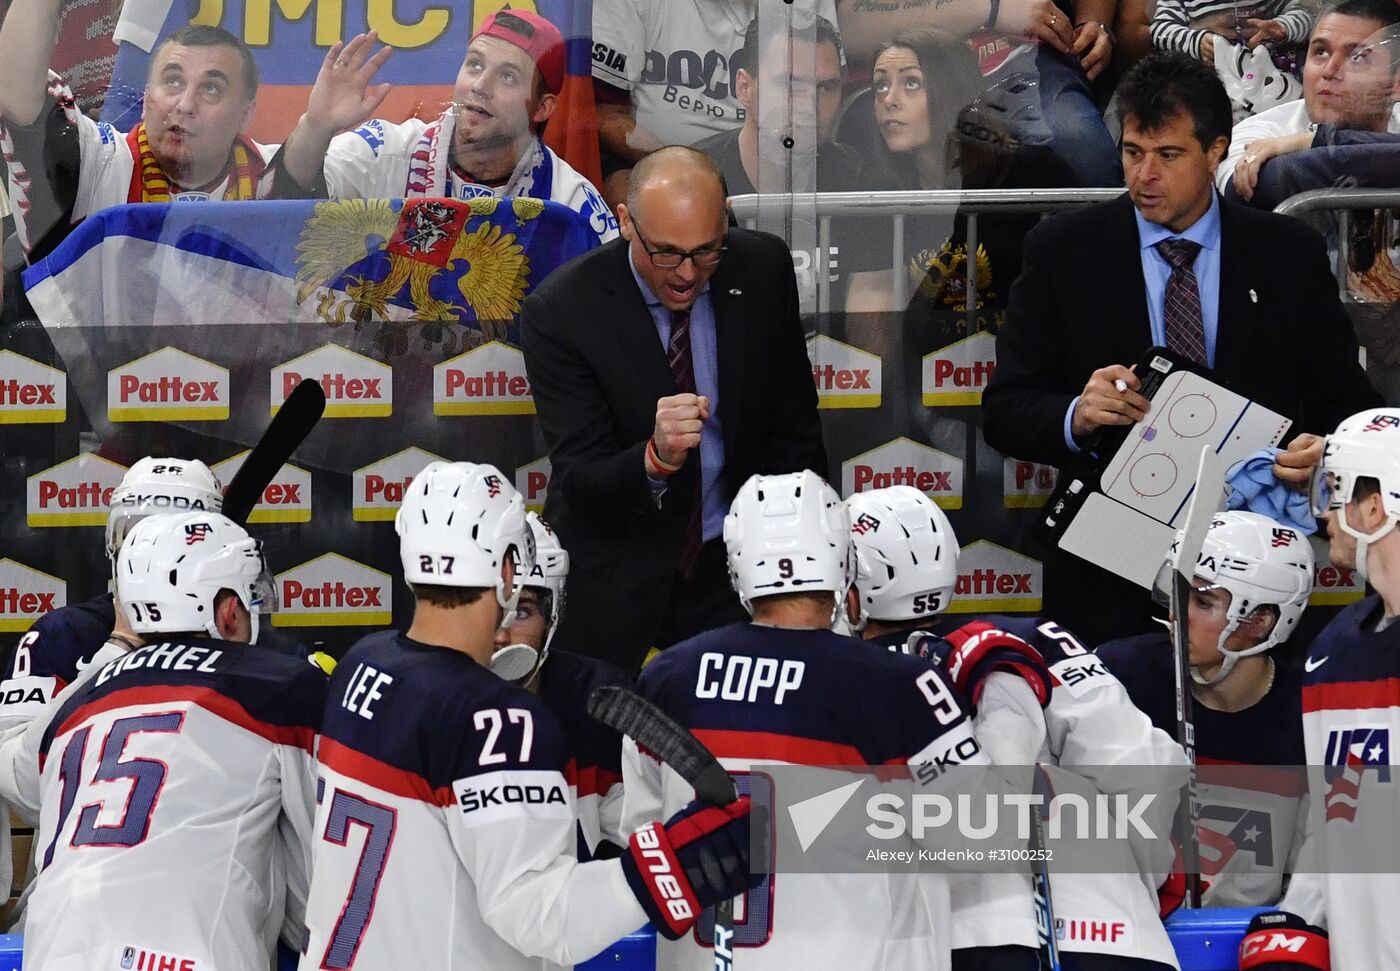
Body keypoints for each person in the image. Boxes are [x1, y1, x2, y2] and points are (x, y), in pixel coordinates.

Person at [982, 51, 1380, 645]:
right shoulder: (1062, 250)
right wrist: (1076, 415)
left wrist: (1326, 451)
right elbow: (1006, 409)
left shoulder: (1287, 253)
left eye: (1168, 155)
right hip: (1106, 572)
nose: (1144, 175)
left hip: (1253, 577)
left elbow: (1344, 402)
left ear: (1217, 150)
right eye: (1132, 152)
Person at [301, 461, 758, 968]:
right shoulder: (499, 719)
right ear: (507, 572)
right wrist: (677, 866)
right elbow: (542, 917)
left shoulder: (361, 664)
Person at [621, 469, 1026, 970]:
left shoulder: (665, 677)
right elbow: (985, 841)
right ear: (842, 561)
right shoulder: (898, 685)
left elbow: (642, 836)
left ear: (736, 564)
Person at [847, 485, 1186, 970]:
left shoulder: (836, 678)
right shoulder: (1035, 640)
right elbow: (1142, 770)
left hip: (940, 944)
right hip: (1113, 937)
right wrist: (1134, 889)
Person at [520, 146, 826, 674]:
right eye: (665, 253)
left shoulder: (762, 269)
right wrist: (654, 458)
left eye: (706, 251)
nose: (687, 273)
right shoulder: (562, 309)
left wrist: (802, 558)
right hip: (617, 574)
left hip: (738, 571)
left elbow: (795, 431)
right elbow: (581, 479)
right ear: (625, 223)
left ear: (724, 220)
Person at [16, 510, 323, 969]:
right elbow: (318, 904)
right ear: (229, 611)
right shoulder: (280, 687)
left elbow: (20, 779)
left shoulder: (79, 698)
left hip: (53, 956)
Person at [1234, 406, 1400, 969]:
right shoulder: (1336, 647)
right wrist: (1298, 923)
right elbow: (1337, 818)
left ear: (1374, 507)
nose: (1325, 513)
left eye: (1335, 492)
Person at [1098, 510, 1313, 908]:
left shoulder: (1310, 713)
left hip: (1253, 937)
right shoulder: (1121, 677)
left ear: (1260, 621)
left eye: (1203, 601)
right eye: (1178, 592)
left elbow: (1315, 882)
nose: (1177, 614)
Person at [274, 11, 618, 245]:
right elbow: (282, 210)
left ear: (543, 108)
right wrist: (316, 127)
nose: (479, 86)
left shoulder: (572, 203)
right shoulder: (385, 152)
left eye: (507, 76)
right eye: (474, 64)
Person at [0, 18, 293, 262]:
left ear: (245, 115)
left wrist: (316, 126)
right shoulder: (100, 161)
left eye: (211, 88)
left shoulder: (276, 176)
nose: (185, 105)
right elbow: (17, 94)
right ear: (146, 99)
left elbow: (317, 137)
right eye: (173, 81)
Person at [845, 30, 1077, 338]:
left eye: (911, 83)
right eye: (880, 85)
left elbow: (1072, 294)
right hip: (925, 362)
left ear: (953, 91)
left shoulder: (1033, 173)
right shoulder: (878, 186)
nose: (889, 100)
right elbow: (872, 303)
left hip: (1021, 358)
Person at [692, 14, 880, 312]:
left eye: (826, 87)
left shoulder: (862, 180)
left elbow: (874, 306)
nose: (808, 105)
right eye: (790, 84)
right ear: (744, 87)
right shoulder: (694, 181)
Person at [589, 0, 839, 206]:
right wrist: (685, 168)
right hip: (659, 164)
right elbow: (602, 113)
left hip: (786, 160)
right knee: (624, 190)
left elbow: (828, 82)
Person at [492, 512, 633, 858]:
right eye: (492, 608)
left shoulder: (601, 703)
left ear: (552, 617)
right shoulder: (423, 708)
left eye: (521, 612)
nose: (501, 635)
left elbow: (641, 843)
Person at [1220, 0, 1400, 204]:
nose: (1329, 71)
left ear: (1397, 82)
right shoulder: (1255, 133)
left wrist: (1316, 141)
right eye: (1321, 52)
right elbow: (1261, 184)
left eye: (1357, 57)